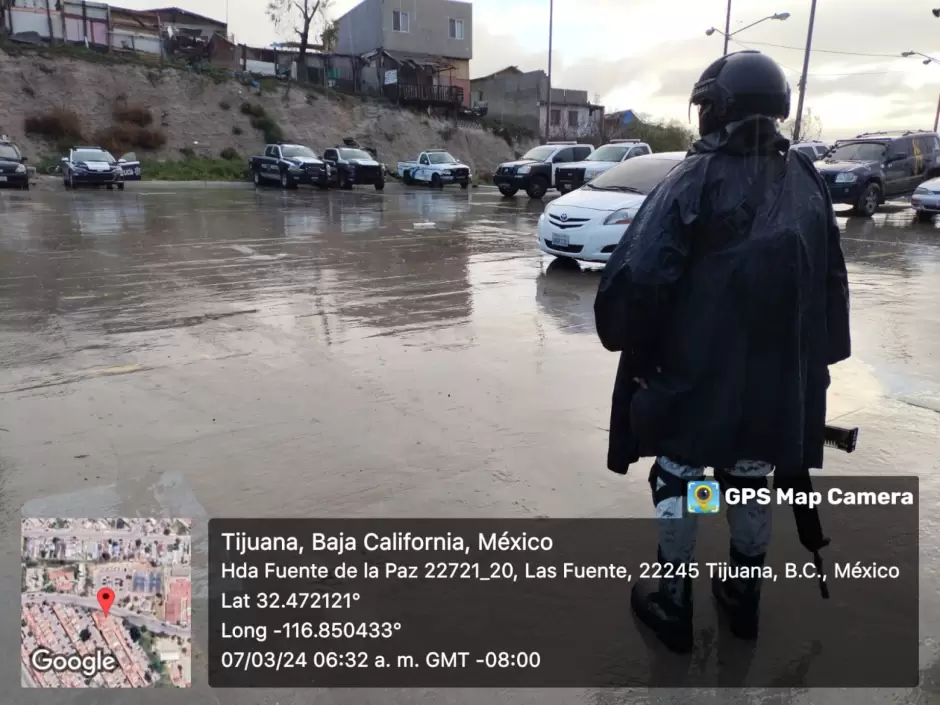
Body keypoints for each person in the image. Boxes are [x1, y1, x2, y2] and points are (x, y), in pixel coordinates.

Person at [593, 50, 851, 654]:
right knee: (750, 475)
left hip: (695, 370)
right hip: (775, 377)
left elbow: (638, 278)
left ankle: (674, 600)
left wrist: (631, 341)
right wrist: (813, 367)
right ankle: (742, 596)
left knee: (682, 476)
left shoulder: (693, 177)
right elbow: (832, 279)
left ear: (716, 109)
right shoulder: (806, 178)